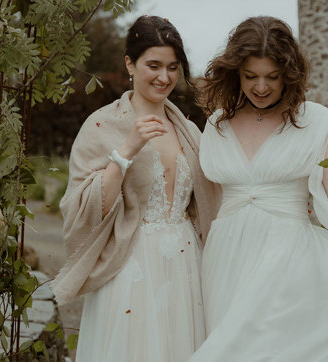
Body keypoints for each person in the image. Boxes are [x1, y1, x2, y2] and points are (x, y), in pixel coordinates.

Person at [189, 16, 328, 362]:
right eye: (251, 76)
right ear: (236, 73)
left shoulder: (314, 121)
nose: (261, 87)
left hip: (288, 263)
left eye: (272, 77)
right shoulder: (217, 124)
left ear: (289, 75)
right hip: (225, 262)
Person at [50, 15, 217, 362]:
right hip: (132, 265)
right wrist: (126, 150)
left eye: (173, 67)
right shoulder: (101, 125)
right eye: (153, 65)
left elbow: (209, 196)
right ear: (130, 63)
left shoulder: (187, 129)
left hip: (187, 264)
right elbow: (87, 209)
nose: (164, 77)